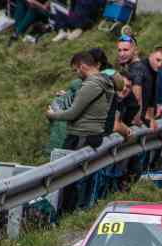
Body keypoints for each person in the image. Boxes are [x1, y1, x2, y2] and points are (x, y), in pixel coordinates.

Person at [47, 52, 115, 210]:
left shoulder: (91, 84)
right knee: (78, 176)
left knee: (67, 178)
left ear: (83, 66)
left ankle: (64, 212)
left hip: (81, 135)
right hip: (94, 134)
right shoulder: (106, 81)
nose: (76, 75)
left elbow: (73, 113)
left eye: (75, 70)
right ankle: (73, 209)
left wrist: (52, 115)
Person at [129, 46, 162, 128]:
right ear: (151, 55)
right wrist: (138, 118)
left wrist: (151, 118)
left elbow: (152, 97)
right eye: (158, 60)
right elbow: (136, 95)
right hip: (132, 117)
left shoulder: (155, 71)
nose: (160, 64)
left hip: (143, 115)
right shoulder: (140, 68)